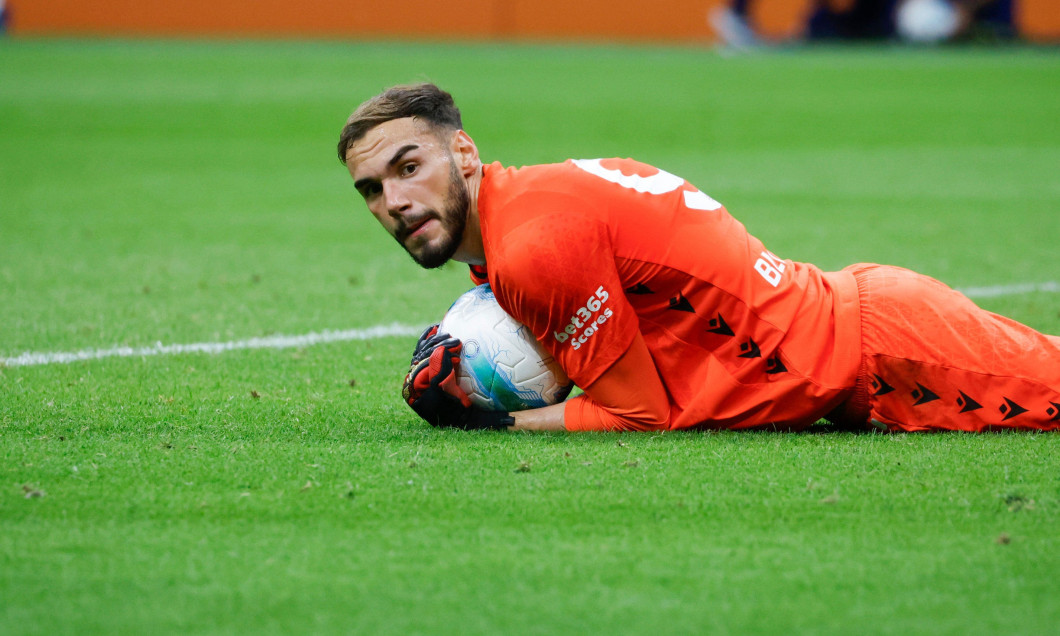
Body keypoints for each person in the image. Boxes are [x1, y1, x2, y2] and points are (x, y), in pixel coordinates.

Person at [337, 83, 1060, 433]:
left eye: (408, 167)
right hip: (865, 329)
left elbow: (640, 415)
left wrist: (494, 422)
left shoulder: (533, 248)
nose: (392, 201)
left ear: (463, 152)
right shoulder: (525, 210)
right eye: (372, 188)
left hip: (889, 359)